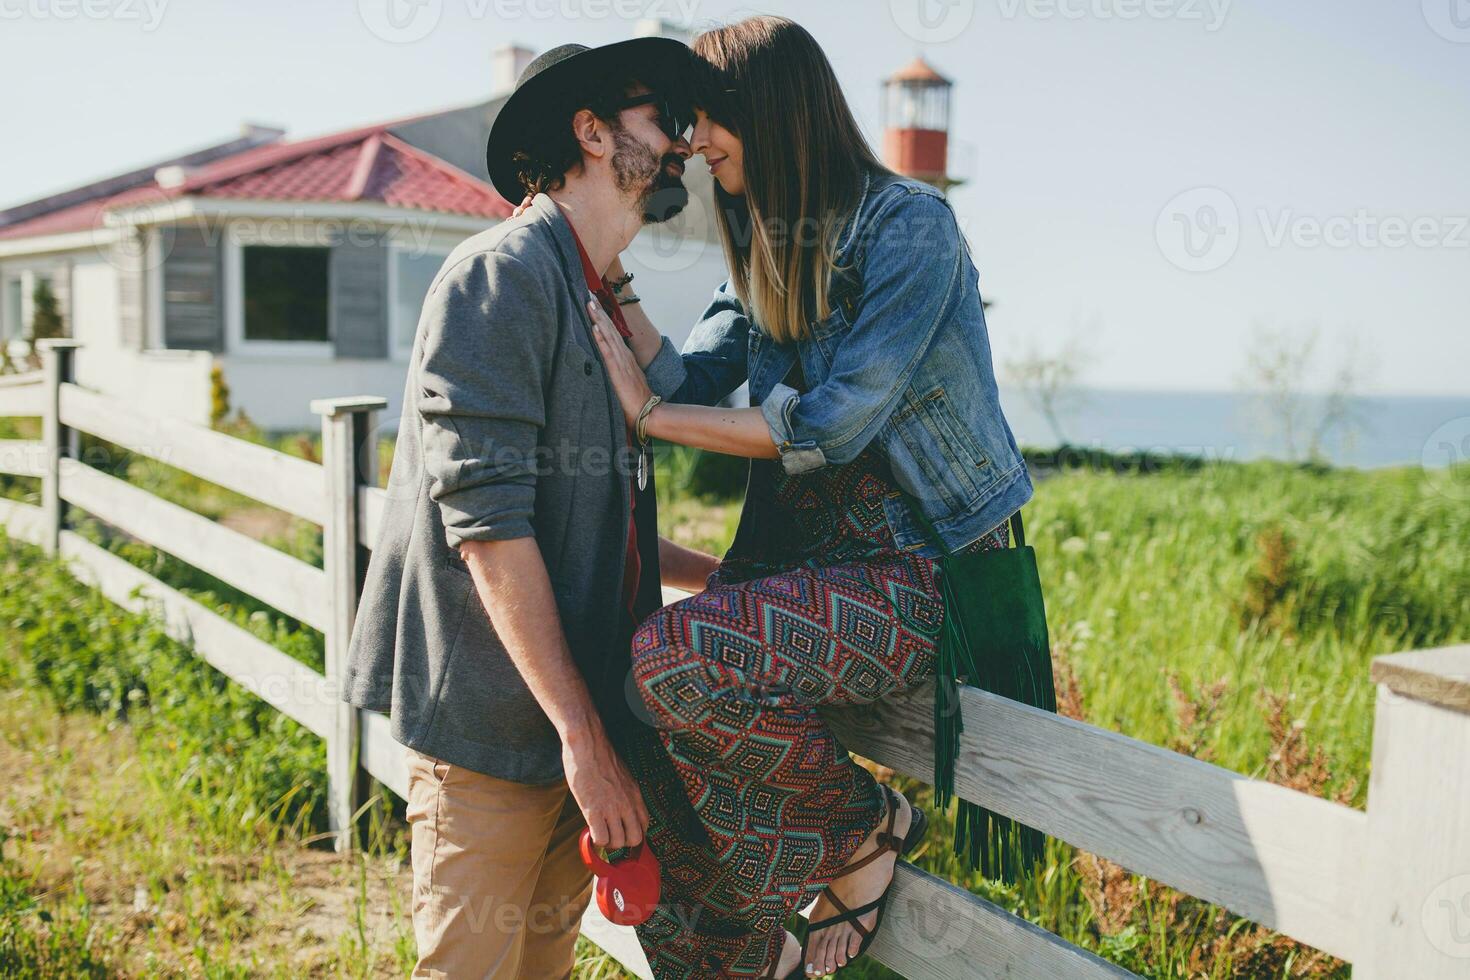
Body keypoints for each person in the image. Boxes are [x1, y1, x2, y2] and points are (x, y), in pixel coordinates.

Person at [587, 16, 1035, 979]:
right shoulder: (759, 242)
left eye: (705, 118)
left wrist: (649, 419)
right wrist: (611, 282)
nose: (693, 143)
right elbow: (690, 379)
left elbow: (831, 425)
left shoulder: (912, 226)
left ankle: (865, 827)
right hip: (808, 568)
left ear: (772, 109)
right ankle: (741, 961)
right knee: (631, 703)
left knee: (669, 654)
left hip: (920, 579)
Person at [340, 38, 724, 978]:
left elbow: (592, 516)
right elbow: (491, 531)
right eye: (659, 117)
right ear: (590, 131)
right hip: (498, 730)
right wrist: (585, 742)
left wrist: (719, 578)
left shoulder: (591, 290)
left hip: (572, 727)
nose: (680, 143)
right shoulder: (501, 277)